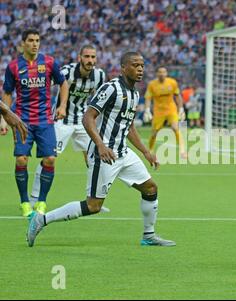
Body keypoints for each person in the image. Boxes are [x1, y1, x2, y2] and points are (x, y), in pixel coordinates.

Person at [26, 52, 176, 248]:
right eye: (135, 65)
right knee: (93, 206)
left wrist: (145, 152)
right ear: (123, 67)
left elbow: (128, 126)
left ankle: (149, 235)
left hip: (123, 153)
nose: (140, 69)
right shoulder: (111, 88)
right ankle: (41, 220)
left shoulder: (134, 93)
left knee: (150, 188)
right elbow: (88, 117)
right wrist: (100, 145)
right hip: (103, 155)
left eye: (142, 65)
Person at [29, 45, 108, 209]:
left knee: (95, 158)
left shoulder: (99, 75)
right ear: (80, 57)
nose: (90, 60)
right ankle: (34, 198)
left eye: (93, 57)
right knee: (49, 158)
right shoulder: (67, 71)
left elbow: (100, 99)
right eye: (87, 57)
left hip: (82, 121)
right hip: (61, 121)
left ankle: (93, 200)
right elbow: (45, 86)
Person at [1, 28, 69, 216]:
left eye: (37, 40)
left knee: (50, 159)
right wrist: (4, 119)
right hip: (22, 121)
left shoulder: (48, 62)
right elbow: (7, 93)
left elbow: (63, 83)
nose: (35, 43)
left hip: (45, 120)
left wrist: (62, 106)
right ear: (23, 43)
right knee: (21, 159)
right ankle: (24, 202)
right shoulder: (14, 66)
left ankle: (41, 202)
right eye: (31, 40)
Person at [144, 67, 187, 158]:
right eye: (160, 72)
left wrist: (181, 109)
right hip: (158, 111)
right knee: (154, 132)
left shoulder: (172, 82)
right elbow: (148, 98)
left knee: (175, 128)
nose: (162, 74)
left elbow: (177, 96)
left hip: (171, 109)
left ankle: (182, 151)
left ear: (166, 73)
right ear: (157, 74)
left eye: (164, 72)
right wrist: (147, 110)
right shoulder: (152, 85)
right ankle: (150, 150)